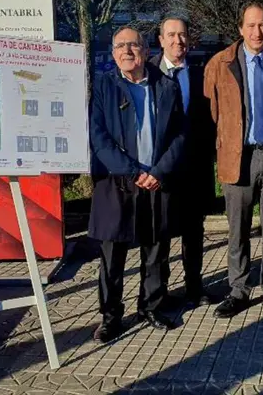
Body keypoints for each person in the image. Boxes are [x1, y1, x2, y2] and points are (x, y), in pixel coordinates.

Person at [88, 26, 186, 342]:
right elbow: (98, 137)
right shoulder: (103, 86)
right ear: (113, 52)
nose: (127, 51)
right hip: (117, 183)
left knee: (156, 249)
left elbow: (180, 135)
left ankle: (152, 306)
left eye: (133, 45)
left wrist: (159, 170)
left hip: (156, 181)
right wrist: (130, 171)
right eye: (120, 46)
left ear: (145, 50)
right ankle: (110, 316)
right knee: (112, 255)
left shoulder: (167, 87)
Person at [203, 1, 263, 321]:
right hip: (238, 156)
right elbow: (212, 112)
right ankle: (238, 291)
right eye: (251, 25)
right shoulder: (220, 63)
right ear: (240, 29)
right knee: (238, 229)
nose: (257, 31)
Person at [149, 16, 215, 307]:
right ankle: (158, 292)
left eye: (183, 35)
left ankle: (194, 287)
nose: (178, 41)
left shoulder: (201, 75)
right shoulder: (147, 72)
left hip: (193, 168)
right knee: (159, 234)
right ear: (161, 39)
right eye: (171, 35)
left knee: (193, 231)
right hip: (160, 169)